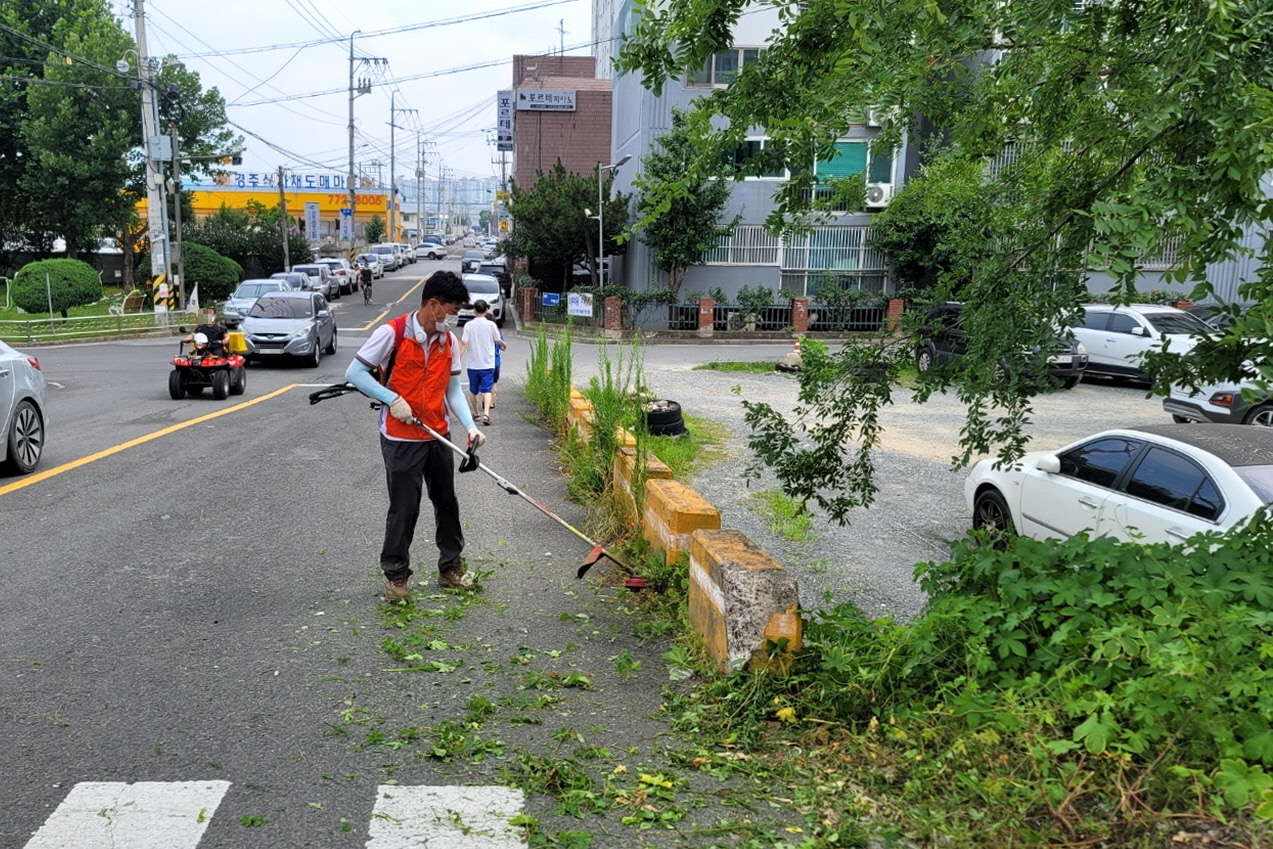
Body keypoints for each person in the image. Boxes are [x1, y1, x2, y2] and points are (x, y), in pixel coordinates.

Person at [344, 272, 485, 602]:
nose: (454, 317)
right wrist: (392, 399)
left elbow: (452, 388)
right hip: (401, 435)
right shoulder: (391, 334)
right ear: (433, 305)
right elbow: (354, 373)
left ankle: (450, 567)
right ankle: (396, 576)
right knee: (405, 507)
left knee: (447, 503)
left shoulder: (447, 341)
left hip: (438, 433)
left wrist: (471, 425)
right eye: (452, 310)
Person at [459, 300, 505, 426]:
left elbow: (464, 343)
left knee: (473, 390)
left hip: (472, 364)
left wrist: (457, 359)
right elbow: (498, 340)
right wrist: (504, 344)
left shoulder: (469, 325)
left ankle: (476, 413)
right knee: (487, 390)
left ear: (474, 311)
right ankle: (486, 414)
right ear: (486, 310)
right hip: (488, 364)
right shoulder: (491, 325)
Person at [490, 328, 506, 410]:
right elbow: (503, 347)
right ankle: (491, 402)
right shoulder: (499, 332)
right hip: (496, 362)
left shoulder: (483, 332)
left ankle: (485, 399)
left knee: (484, 382)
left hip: (485, 362)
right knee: (494, 382)